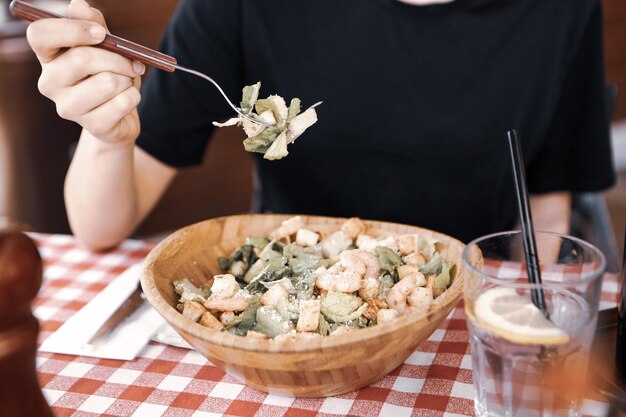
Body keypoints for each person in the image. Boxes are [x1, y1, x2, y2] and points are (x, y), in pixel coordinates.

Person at [25, 0, 614, 250]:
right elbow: (100, 228)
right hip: (289, 315)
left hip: (461, 316)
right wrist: (107, 135)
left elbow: (547, 211)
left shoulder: (562, 11)